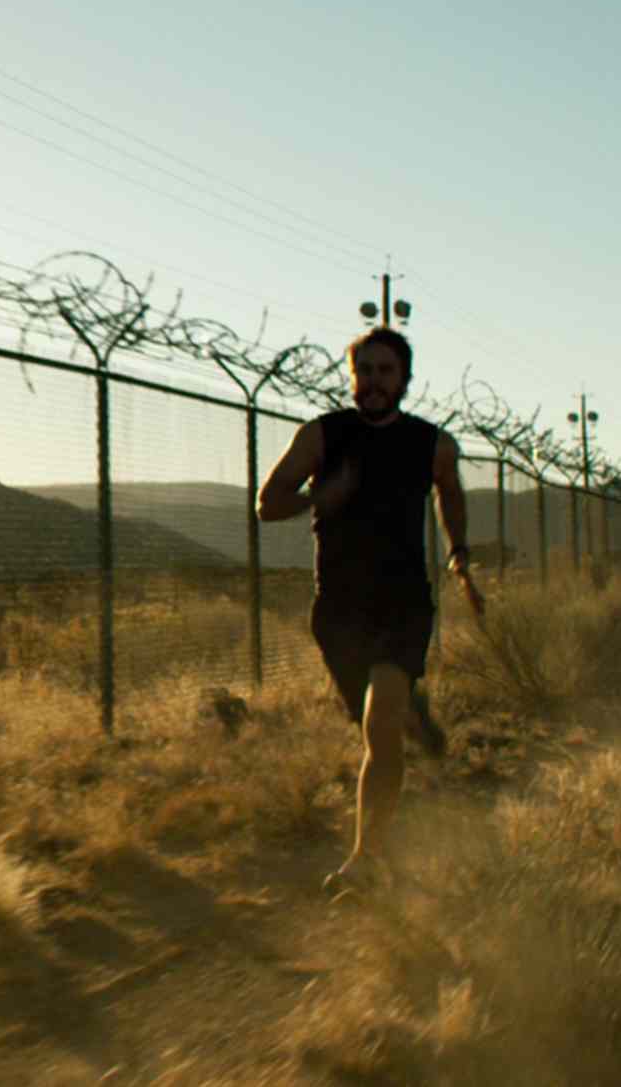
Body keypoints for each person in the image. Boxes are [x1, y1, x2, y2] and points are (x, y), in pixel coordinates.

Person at [253, 325, 483, 897]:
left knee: (380, 733)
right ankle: (412, 714)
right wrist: (319, 497)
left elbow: (450, 492)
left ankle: (366, 859)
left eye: (386, 371)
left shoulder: (432, 443)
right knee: (376, 724)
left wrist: (458, 554)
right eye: (365, 371)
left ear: (405, 379)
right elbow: (267, 504)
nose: (374, 382)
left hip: (403, 605)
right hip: (338, 611)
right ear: (352, 378)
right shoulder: (322, 436)